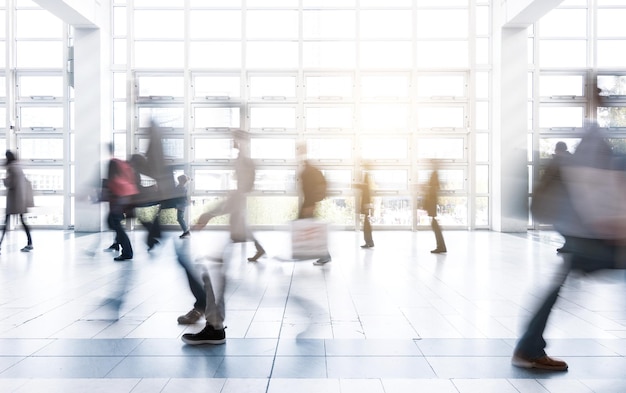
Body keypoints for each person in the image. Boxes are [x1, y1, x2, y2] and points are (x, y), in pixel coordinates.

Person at [512, 107, 622, 371]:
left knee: (558, 285)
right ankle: (529, 347)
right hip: (590, 237)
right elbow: (593, 193)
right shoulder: (594, 155)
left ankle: (529, 347)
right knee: (559, 285)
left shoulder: (581, 155)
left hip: (580, 234)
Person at [179, 132, 264, 339]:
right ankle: (207, 317)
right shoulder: (242, 162)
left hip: (234, 228)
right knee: (212, 272)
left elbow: (238, 195)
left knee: (212, 273)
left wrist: (210, 213)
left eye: (237, 139)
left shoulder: (244, 163)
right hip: (234, 227)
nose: (233, 142)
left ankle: (214, 326)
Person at [298, 147, 331, 265]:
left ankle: (324, 255)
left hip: (309, 203)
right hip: (308, 203)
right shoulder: (308, 170)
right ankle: (300, 251)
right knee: (306, 227)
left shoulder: (308, 171)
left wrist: (310, 205)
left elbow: (309, 190)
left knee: (309, 228)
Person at [105, 143, 138, 261]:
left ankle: (127, 252)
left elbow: (110, 181)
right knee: (114, 222)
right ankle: (117, 244)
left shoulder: (112, 162)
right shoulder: (122, 164)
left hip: (118, 197)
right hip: (126, 197)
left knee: (114, 223)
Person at [0, 150, 34, 253]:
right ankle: (29, 243)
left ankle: (0, 245)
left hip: (14, 199)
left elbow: (10, 183)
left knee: (6, 223)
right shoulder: (18, 166)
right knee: (23, 221)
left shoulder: (11, 168)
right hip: (20, 199)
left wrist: (4, 180)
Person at [424, 160, 447, 253]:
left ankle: (441, 246)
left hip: (432, 202)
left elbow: (433, 189)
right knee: (434, 224)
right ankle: (441, 246)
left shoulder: (434, 174)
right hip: (432, 201)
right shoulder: (435, 174)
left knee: (434, 224)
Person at [354, 164, 374, 248]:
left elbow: (366, 190)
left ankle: (369, 242)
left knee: (366, 225)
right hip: (367, 204)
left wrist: (357, 185)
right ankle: (369, 242)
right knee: (366, 224)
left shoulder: (367, 176)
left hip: (366, 204)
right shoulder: (368, 176)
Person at [176, 174, 191, 239]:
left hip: (181, 204)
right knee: (180, 218)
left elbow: (179, 197)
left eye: (179, 180)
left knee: (180, 218)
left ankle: (186, 231)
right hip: (182, 204)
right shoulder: (181, 187)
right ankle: (186, 231)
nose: (178, 181)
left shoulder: (181, 187)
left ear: (181, 181)